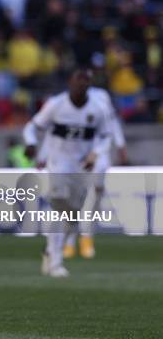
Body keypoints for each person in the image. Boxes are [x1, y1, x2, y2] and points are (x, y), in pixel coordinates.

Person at [23, 69, 110, 277]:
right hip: (58, 164)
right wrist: (31, 143)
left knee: (71, 216)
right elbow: (32, 126)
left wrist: (95, 153)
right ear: (70, 83)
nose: (81, 86)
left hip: (80, 167)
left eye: (85, 82)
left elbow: (107, 136)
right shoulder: (56, 104)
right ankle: (55, 262)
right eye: (77, 81)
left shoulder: (98, 109)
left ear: (90, 85)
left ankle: (50, 252)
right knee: (60, 205)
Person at [61, 86, 127, 259]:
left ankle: (87, 236)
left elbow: (112, 123)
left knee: (96, 192)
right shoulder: (76, 104)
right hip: (80, 155)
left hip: (100, 156)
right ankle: (69, 240)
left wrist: (120, 145)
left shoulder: (103, 99)